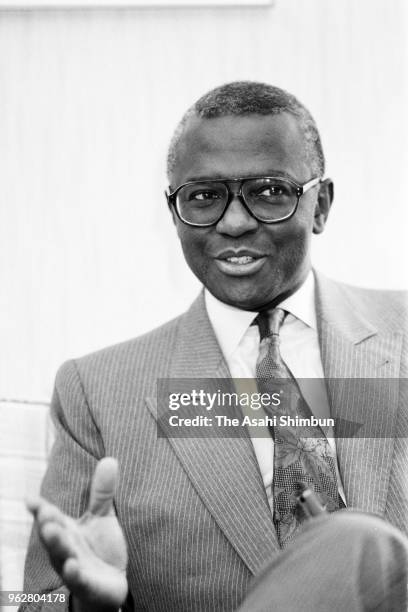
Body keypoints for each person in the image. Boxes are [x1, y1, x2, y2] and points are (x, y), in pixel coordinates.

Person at [21, 81, 408, 611]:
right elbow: (32, 602)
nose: (233, 221)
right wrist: (87, 605)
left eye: (270, 190)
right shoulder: (96, 393)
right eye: (203, 197)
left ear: (321, 205)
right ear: (174, 212)